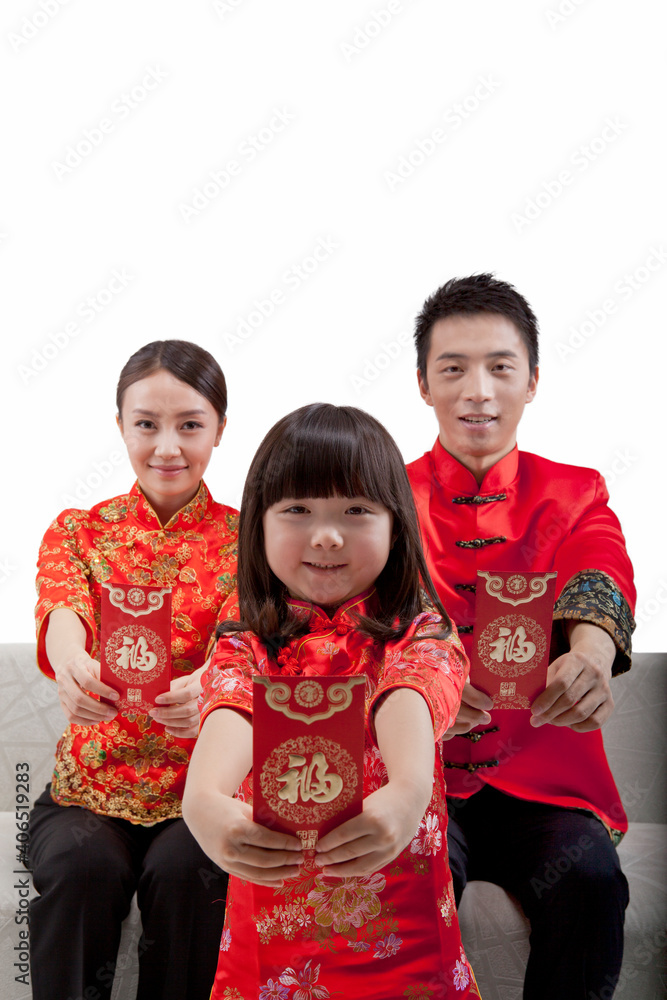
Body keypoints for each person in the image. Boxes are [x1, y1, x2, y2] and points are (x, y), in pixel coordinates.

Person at [183, 403, 483, 999]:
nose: (326, 534)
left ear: (396, 525)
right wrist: (203, 801)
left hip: (405, 945)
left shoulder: (420, 629)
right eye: (297, 510)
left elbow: (415, 689)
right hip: (270, 950)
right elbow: (232, 708)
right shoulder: (244, 633)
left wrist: (407, 791)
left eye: (356, 510)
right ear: (258, 526)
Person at [406, 274, 636, 1000]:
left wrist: (591, 652)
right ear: (422, 384)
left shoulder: (574, 492)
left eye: (499, 367)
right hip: (418, 778)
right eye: (453, 368)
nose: (477, 390)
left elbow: (600, 567)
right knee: (406, 881)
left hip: (542, 782)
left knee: (591, 878)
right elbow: (355, 611)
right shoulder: (379, 497)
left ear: (531, 380)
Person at [29, 340, 239, 1000]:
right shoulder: (79, 532)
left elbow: (244, 638)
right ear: (120, 425)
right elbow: (62, 606)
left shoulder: (249, 541)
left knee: (189, 872)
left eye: (190, 425)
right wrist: (71, 664)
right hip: (89, 787)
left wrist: (210, 685)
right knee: (80, 864)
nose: (167, 447)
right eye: (146, 424)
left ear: (219, 428)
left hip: (201, 789)